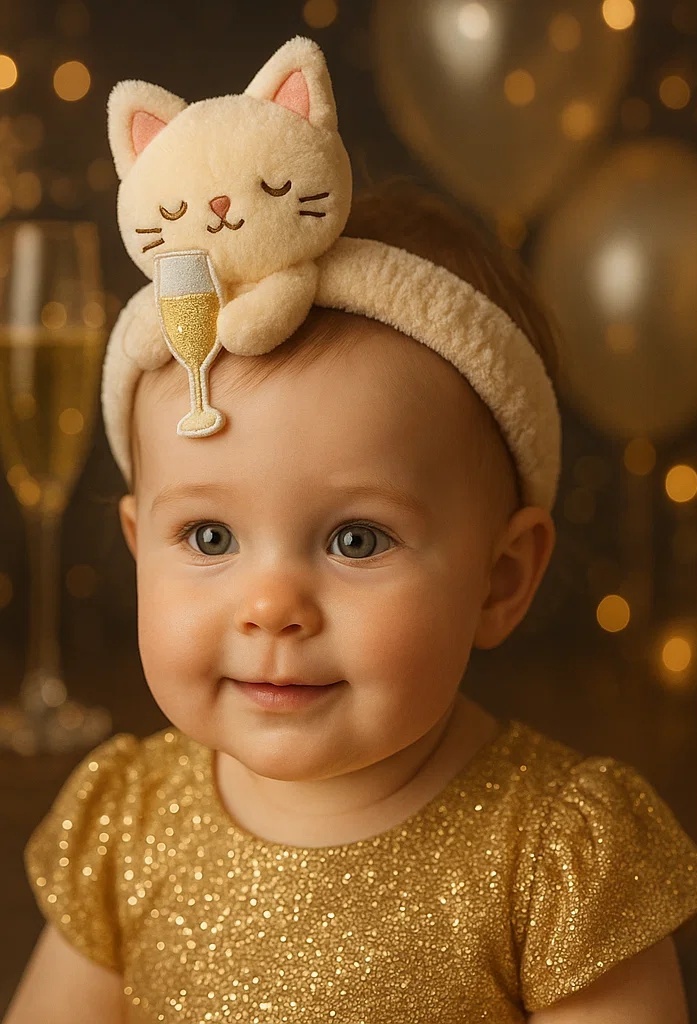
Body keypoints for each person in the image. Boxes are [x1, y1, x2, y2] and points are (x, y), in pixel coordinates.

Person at [4, 176, 697, 1024]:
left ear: (501, 578)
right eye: (210, 538)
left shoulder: (554, 857)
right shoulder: (128, 825)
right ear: (136, 547)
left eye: (356, 540)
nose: (271, 608)